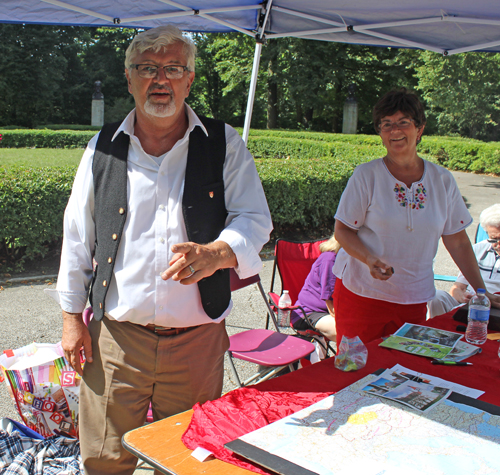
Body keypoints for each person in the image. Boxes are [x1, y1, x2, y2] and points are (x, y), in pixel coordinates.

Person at [48, 25, 272, 474]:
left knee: (190, 459)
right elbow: (78, 237)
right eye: (147, 69)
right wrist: (73, 320)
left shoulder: (224, 144)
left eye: (173, 68)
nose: (160, 80)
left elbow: (254, 220)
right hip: (116, 341)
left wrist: (218, 253)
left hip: (197, 343)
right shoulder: (102, 148)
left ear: (189, 79)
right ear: (129, 78)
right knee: (105, 459)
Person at [332, 88, 500, 348]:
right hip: (362, 294)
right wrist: (369, 258)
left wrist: (481, 292)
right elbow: (342, 231)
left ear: (419, 129)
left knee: (403, 371)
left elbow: (457, 241)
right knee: (355, 368)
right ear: (380, 132)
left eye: (403, 123)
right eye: (386, 124)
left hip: (413, 297)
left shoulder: (442, 180)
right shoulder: (367, 175)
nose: (394, 131)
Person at [428, 203, 500, 318]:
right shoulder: (478, 249)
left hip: (496, 309)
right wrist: (463, 297)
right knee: (436, 297)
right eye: (494, 239)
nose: (498, 245)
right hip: (470, 304)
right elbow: (457, 288)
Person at [290, 235, 339, 342]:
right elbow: (331, 304)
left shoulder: (350, 261)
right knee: (349, 333)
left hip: (327, 311)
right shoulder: (330, 260)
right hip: (308, 313)